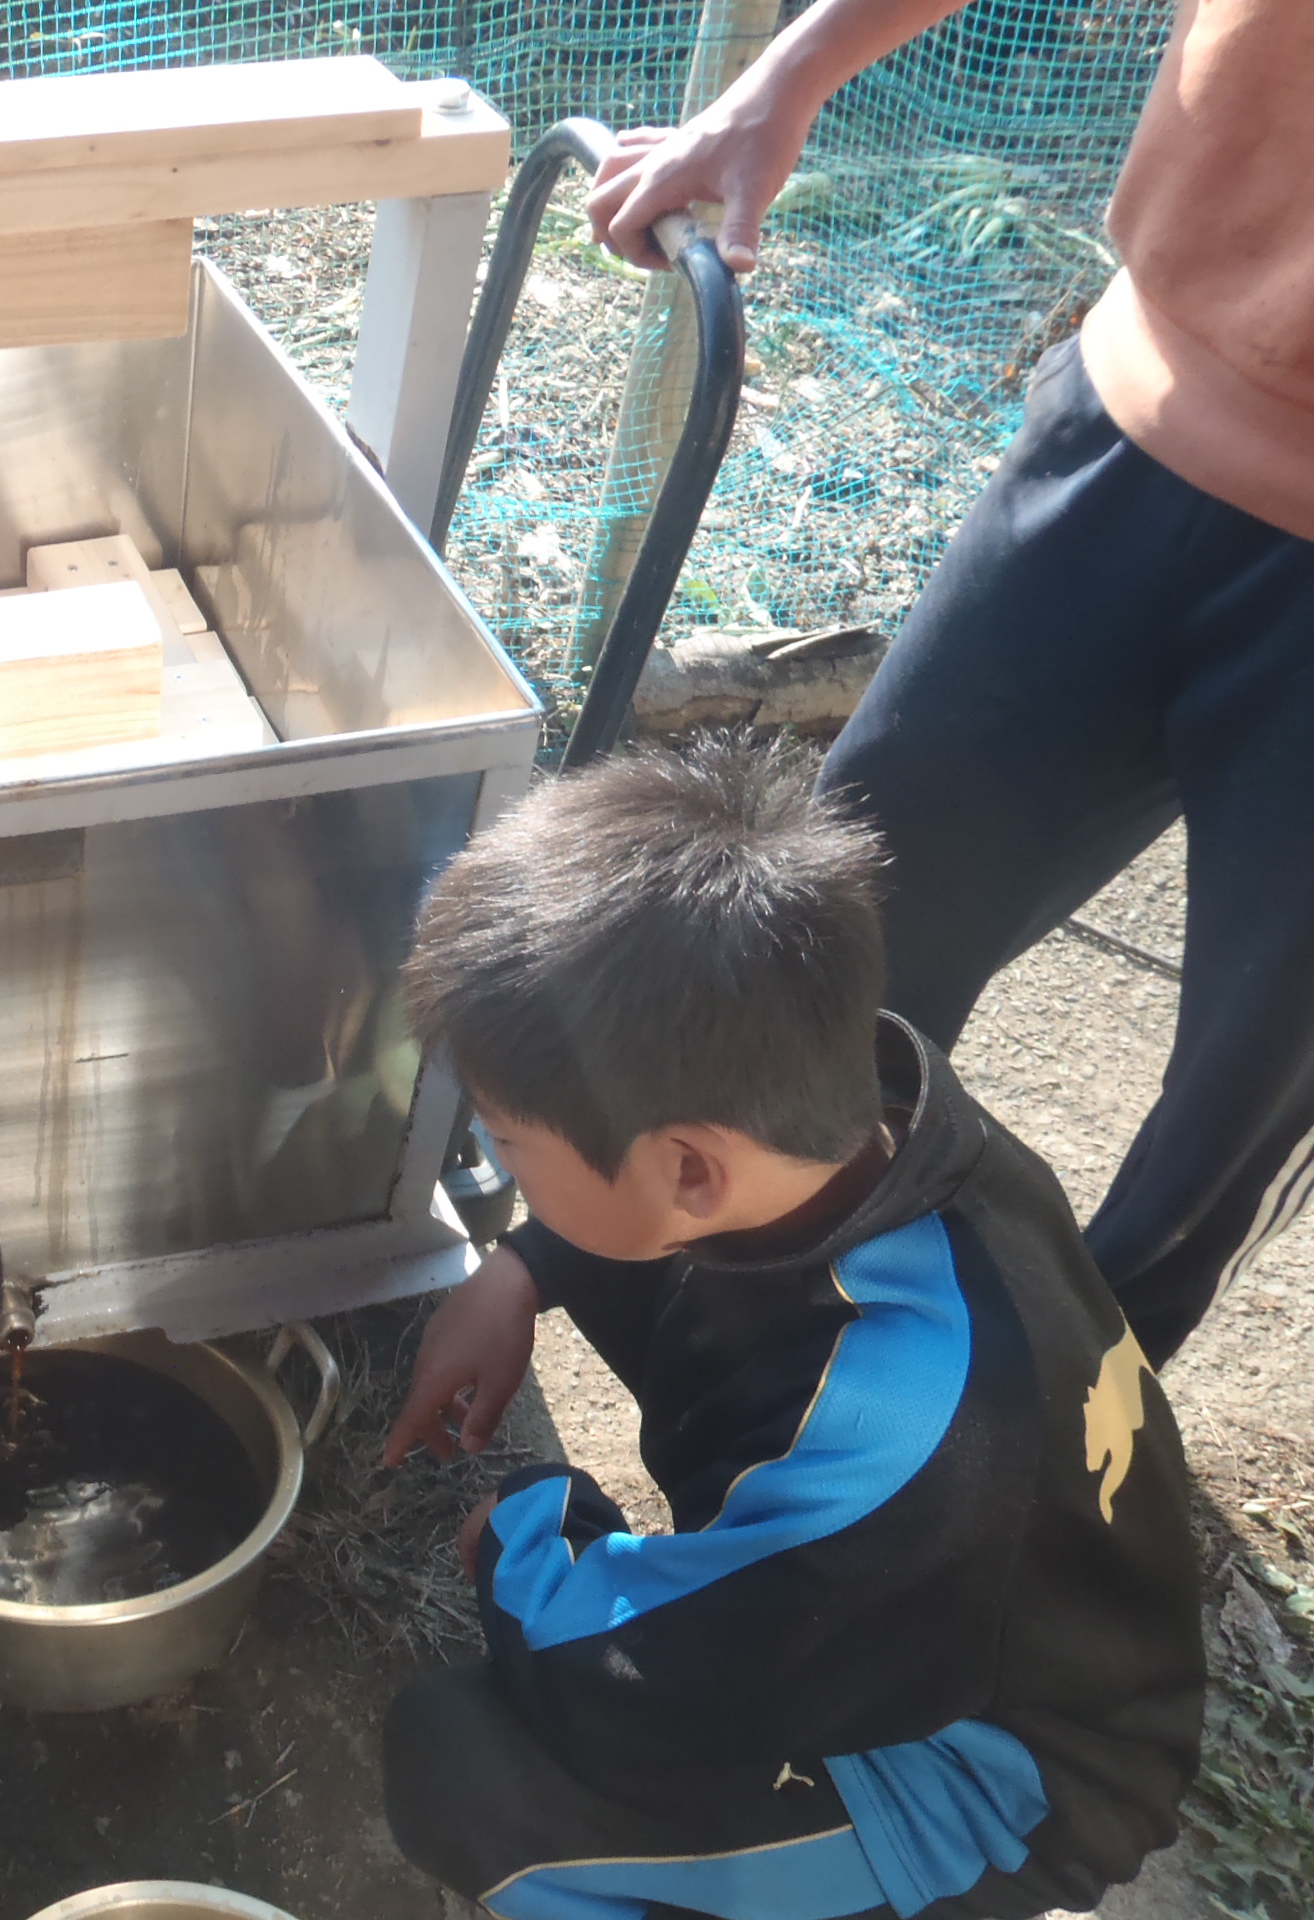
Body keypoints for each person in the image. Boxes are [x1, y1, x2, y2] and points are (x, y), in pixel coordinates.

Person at [582, 0, 1314, 1366]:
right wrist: (788, 74)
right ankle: (687, 1328)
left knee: (1228, 1125)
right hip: (1139, 412)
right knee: (834, 938)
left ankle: (1065, 1440)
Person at [377, 738, 1201, 1920]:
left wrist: (528, 1527)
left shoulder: (885, 1446)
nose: (496, 1160)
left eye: (508, 1142)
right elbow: (646, 1210)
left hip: (998, 1787)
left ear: (689, 1169)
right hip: (940, 1621)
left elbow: (634, 1695)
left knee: (456, 1767)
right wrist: (520, 1267)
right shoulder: (889, 1127)